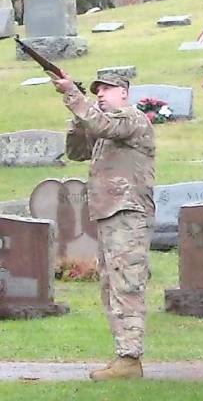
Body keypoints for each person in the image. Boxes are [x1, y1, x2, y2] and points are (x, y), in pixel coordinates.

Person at [49, 72, 155, 381]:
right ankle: (123, 354)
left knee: (127, 284)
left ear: (124, 93)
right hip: (110, 212)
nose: (101, 94)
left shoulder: (132, 119)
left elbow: (104, 125)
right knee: (111, 285)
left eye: (108, 89)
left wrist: (73, 96)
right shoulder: (104, 125)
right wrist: (77, 116)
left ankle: (131, 358)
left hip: (128, 211)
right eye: (97, 90)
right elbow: (76, 151)